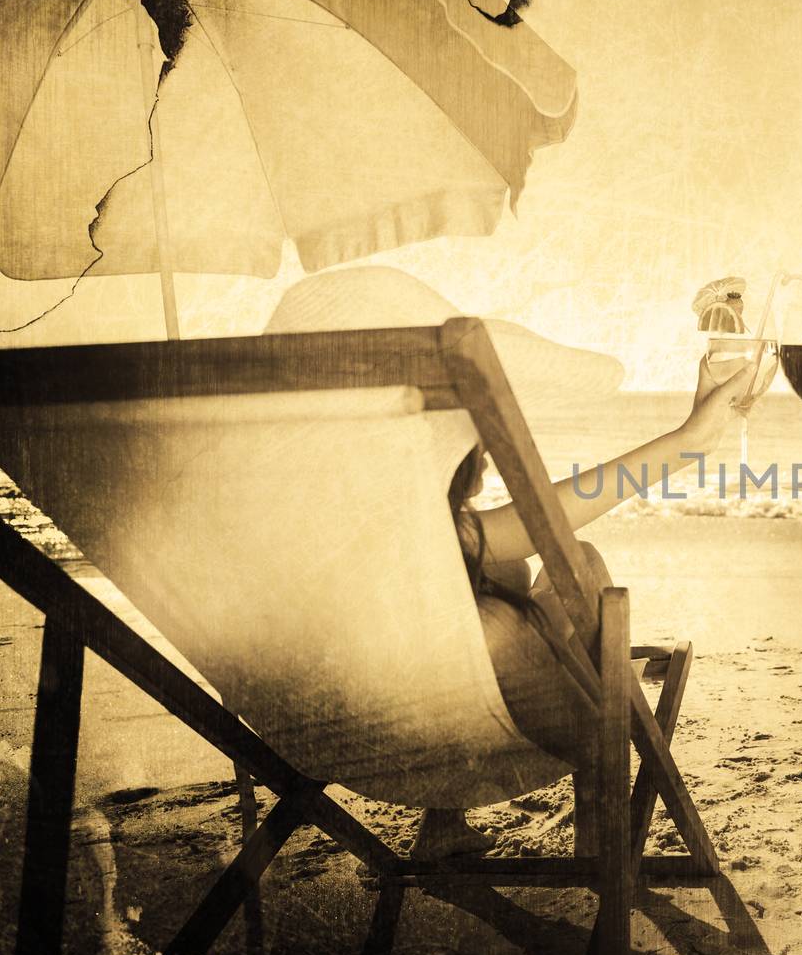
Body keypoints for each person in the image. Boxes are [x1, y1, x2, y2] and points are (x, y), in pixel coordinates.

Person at [264, 268, 755, 859]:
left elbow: (507, 537)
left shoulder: (306, 527)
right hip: (491, 727)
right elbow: (537, 523)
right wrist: (690, 442)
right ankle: (597, 856)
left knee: (507, 573)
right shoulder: (418, 532)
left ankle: (443, 828)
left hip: (320, 733)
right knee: (581, 564)